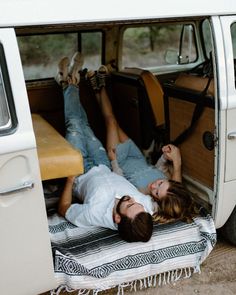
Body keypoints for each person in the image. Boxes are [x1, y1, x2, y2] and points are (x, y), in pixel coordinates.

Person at [55, 52, 155, 243]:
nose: (132, 200)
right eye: (137, 204)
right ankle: (67, 82)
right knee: (84, 126)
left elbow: (64, 208)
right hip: (103, 162)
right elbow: (171, 201)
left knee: (75, 125)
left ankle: (69, 82)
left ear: (117, 219)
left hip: (80, 170)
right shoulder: (143, 209)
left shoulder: (93, 214)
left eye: (129, 205)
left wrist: (69, 180)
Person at [86, 66, 199, 224]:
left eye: (157, 192)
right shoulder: (169, 187)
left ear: (157, 201)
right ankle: (97, 88)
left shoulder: (142, 197)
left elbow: (121, 181)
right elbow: (159, 170)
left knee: (110, 121)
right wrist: (164, 156)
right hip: (136, 156)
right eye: (160, 183)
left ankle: (100, 85)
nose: (154, 186)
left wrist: (113, 161)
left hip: (121, 161)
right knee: (114, 122)